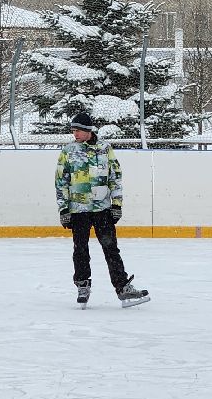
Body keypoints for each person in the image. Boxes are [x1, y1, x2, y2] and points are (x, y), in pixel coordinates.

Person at [54, 112, 149, 308]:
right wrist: (64, 209)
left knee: (111, 248)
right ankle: (82, 285)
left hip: (102, 209)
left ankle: (122, 288)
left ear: (89, 130)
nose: (75, 134)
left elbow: (115, 177)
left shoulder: (105, 149)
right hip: (78, 210)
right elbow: (60, 181)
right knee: (80, 249)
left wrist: (117, 204)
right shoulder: (68, 150)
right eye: (73, 130)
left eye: (78, 130)